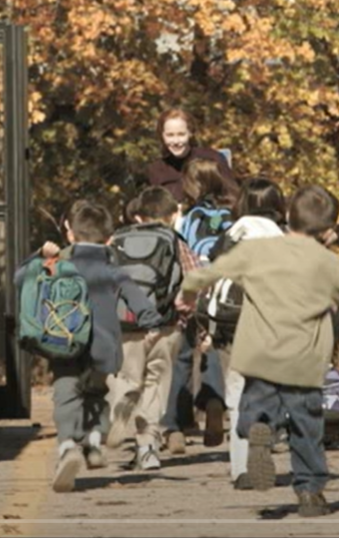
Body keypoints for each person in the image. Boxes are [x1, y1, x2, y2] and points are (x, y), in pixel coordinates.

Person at [179, 185, 339, 518]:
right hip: (304, 357)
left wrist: (187, 293)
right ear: (328, 229)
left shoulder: (258, 252)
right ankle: (310, 491)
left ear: (288, 217)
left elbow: (208, 273)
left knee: (256, 401)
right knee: (306, 425)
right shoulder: (328, 262)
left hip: (258, 352)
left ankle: (258, 429)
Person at [16, 200, 165, 493]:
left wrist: (39, 255)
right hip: (105, 349)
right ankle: (95, 441)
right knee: (97, 396)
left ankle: (69, 445)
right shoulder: (113, 270)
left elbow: (20, 278)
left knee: (66, 396)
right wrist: (153, 324)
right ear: (109, 238)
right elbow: (139, 302)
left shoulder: (59, 263)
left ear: (70, 234)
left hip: (65, 343)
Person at [203, 176, 286, 489]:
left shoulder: (233, 231)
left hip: (230, 319)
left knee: (236, 391)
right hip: (269, 319)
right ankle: (264, 430)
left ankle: (240, 469)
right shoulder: (282, 234)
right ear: (278, 205)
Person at [106, 187, 197, 470]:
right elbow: (193, 279)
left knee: (129, 378)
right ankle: (148, 451)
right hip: (166, 324)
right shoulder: (175, 239)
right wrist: (186, 313)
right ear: (172, 216)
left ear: (138, 214)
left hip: (126, 324)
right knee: (156, 385)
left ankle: (122, 406)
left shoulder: (117, 239)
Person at [163, 158, 237, 453]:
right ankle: (216, 401)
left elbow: (181, 249)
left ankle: (176, 425)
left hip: (194, 284)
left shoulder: (188, 216)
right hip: (223, 287)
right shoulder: (230, 215)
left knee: (182, 354)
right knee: (214, 348)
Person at [146, 108, 238, 206]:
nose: (176, 141)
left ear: (190, 133)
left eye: (181, 134)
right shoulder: (156, 170)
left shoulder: (212, 159)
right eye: (170, 135)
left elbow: (232, 197)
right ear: (162, 136)